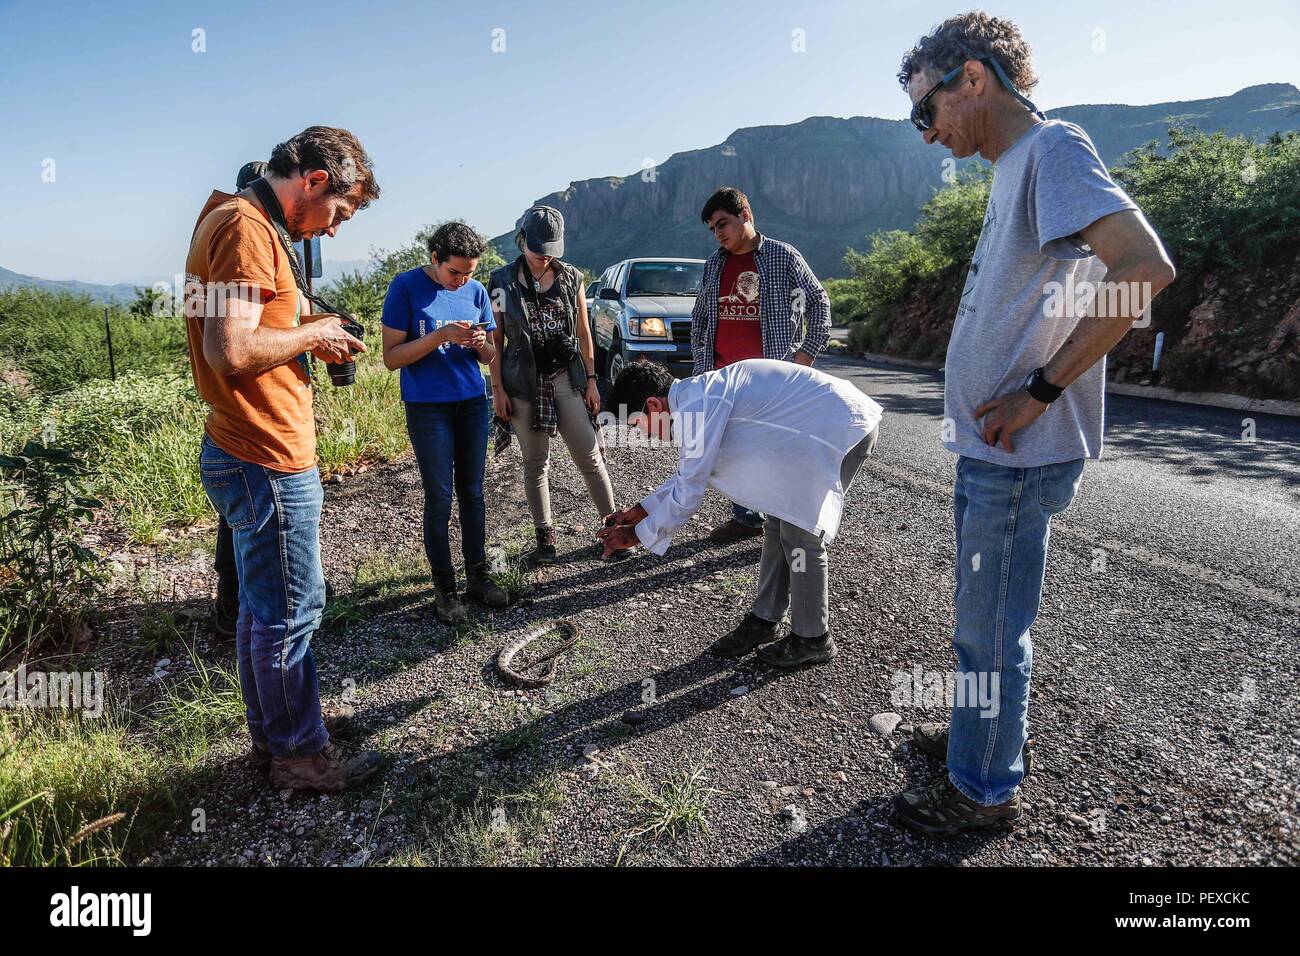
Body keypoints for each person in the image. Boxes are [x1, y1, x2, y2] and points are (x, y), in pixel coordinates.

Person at [891, 12, 1175, 834]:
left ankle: (980, 789)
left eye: (926, 111)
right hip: (996, 453)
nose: (925, 134)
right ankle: (978, 742)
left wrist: (1041, 391)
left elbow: (1144, 268)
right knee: (979, 624)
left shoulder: (1053, 149)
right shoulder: (1019, 163)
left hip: (1020, 452)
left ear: (972, 79)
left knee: (989, 633)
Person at [186, 126, 385, 792]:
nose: (332, 232)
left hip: (245, 443)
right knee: (292, 609)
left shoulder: (238, 218)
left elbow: (248, 325)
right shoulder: (244, 228)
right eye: (339, 214)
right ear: (315, 182)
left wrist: (311, 333)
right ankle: (300, 757)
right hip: (263, 451)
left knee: (261, 609)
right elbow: (231, 351)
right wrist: (321, 329)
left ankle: (279, 735)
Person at [599, 360, 881, 667]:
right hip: (818, 424)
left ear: (653, 405)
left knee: (801, 535)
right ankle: (765, 619)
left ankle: (813, 638)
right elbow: (693, 472)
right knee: (777, 521)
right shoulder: (696, 399)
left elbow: (690, 489)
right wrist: (642, 511)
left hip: (841, 428)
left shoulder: (700, 405)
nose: (646, 435)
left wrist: (636, 535)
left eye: (636, 425)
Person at [689, 187, 832, 545]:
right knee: (734, 450)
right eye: (712, 228)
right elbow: (700, 318)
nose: (718, 233)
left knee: (778, 450)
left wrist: (805, 357)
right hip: (724, 379)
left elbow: (818, 302)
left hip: (774, 380)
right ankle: (747, 518)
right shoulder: (714, 264)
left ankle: (787, 525)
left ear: (746, 215)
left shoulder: (783, 257)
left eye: (723, 223)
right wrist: (701, 367)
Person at [382, 221, 508, 623]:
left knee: (473, 494)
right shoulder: (405, 287)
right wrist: (442, 336)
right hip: (427, 407)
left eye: (469, 273)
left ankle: (478, 577)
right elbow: (391, 358)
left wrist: (477, 344)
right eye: (454, 271)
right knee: (439, 498)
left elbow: (489, 356)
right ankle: (445, 589)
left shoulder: (475, 292)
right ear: (434, 258)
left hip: (472, 403)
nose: (462, 280)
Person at [486, 206, 615, 564]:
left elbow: (584, 333)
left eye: (550, 250)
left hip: (566, 378)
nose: (544, 257)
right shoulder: (500, 282)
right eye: (537, 248)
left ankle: (613, 528)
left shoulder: (572, 278)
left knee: (589, 457)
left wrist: (591, 380)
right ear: (522, 239)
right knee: (535, 462)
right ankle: (546, 538)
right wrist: (497, 389)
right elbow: (496, 338)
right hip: (523, 382)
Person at [211, 160, 270, 640]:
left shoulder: (237, 228)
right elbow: (232, 349)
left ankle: (234, 606)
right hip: (249, 420)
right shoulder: (243, 230)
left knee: (238, 516)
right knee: (246, 518)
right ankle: (234, 604)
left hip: (245, 415)